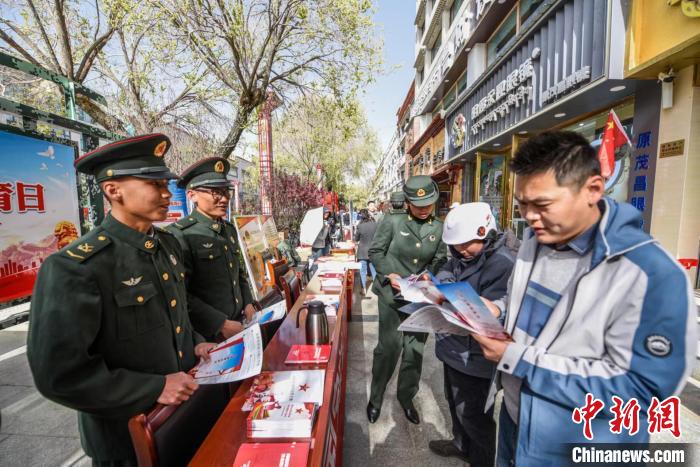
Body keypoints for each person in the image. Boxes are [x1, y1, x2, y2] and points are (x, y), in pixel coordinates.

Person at [471, 131, 696, 466]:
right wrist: (498, 311)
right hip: (516, 424)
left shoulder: (650, 274)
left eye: (542, 205)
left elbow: (642, 389)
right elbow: (534, 312)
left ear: (593, 189)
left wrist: (519, 360)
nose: (529, 217)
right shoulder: (536, 242)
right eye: (522, 204)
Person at [27, 134, 216, 465]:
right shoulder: (77, 266)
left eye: (166, 184)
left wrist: (197, 342)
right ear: (113, 190)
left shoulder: (166, 245)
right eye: (153, 184)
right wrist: (152, 388)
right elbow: (58, 374)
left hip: (182, 416)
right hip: (127, 438)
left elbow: (176, 314)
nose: (165, 193)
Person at [428, 202, 516, 467]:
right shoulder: (463, 254)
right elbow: (448, 266)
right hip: (452, 348)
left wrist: (459, 299)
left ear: (485, 233)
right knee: (454, 402)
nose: (460, 250)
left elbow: (492, 311)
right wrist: (441, 285)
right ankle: (460, 444)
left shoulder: (503, 263)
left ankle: (480, 459)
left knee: (476, 417)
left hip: (476, 356)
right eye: (456, 246)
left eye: (466, 244)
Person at [367, 175, 447, 425]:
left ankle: (406, 397)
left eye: (429, 204)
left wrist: (430, 274)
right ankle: (376, 399)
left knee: (414, 351)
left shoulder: (438, 227)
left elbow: (441, 258)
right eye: (418, 205)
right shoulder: (392, 221)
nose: (424, 210)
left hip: (420, 298)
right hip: (392, 296)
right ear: (409, 203)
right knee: (388, 349)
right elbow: (375, 252)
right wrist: (389, 273)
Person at [167, 157, 256, 341]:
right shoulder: (180, 235)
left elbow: (238, 273)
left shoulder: (228, 229)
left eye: (226, 191)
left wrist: (247, 302)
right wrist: (219, 324)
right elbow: (181, 294)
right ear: (192, 195)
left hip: (240, 324)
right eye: (216, 192)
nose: (224, 199)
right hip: (209, 336)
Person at [354, 209, 378, 295]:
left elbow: (356, 239)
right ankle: (376, 289)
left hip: (362, 251)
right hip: (373, 250)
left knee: (362, 271)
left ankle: (363, 288)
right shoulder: (375, 224)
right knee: (374, 270)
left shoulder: (360, 226)